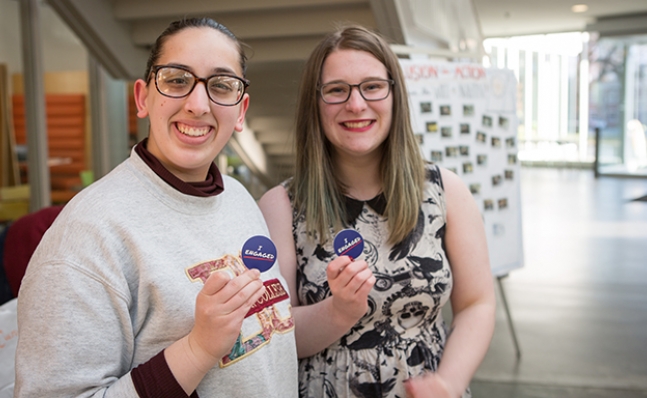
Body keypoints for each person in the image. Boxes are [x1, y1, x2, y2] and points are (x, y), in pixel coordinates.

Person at [14, 17, 298, 398]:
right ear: (142, 98)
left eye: (221, 86)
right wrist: (197, 348)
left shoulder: (237, 197)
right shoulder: (87, 235)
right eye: (177, 80)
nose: (198, 105)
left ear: (241, 109)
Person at [259, 25, 495, 398]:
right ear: (314, 103)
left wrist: (448, 383)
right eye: (337, 90)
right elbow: (273, 333)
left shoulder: (445, 190)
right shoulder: (281, 206)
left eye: (371, 86)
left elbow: (477, 304)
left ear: (393, 94)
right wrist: (338, 310)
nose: (356, 105)